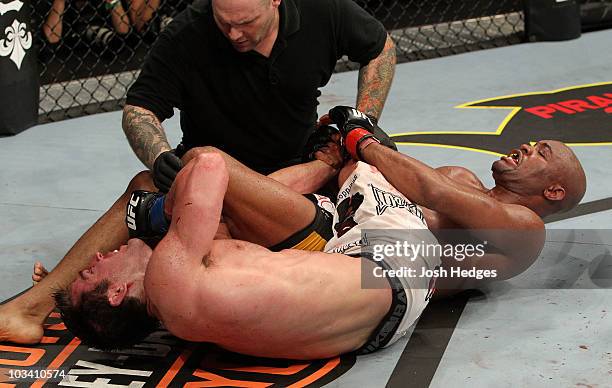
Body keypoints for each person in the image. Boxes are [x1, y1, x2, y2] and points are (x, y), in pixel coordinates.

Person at [53, 146, 438, 358]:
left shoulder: (185, 317)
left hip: (383, 325)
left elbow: (227, 213)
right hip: (391, 263)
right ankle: (495, 203)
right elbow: (209, 164)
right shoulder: (168, 276)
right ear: (118, 293)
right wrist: (161, 207)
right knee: (362, 161)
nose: (97, 257)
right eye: (91, 273)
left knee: (469, 237)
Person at [122, 0, 397, 191]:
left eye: (246, 22)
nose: (234, 34)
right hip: (218, 175)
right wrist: (159, 156)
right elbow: (139, 109)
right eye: (224, 22)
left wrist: (363, 120)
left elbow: (379, 48)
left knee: (378, 162)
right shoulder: (186, 33)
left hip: (304, 161)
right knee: (142, 191)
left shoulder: (320, 9)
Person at [324, 106, 587, 294]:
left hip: (369, 276)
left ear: (553, 191)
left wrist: (364, 143)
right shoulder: (460, 177)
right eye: (534, 144)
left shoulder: (527, 230)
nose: (528, 147)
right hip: (337, 225)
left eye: (542, 153)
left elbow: (432, 193)